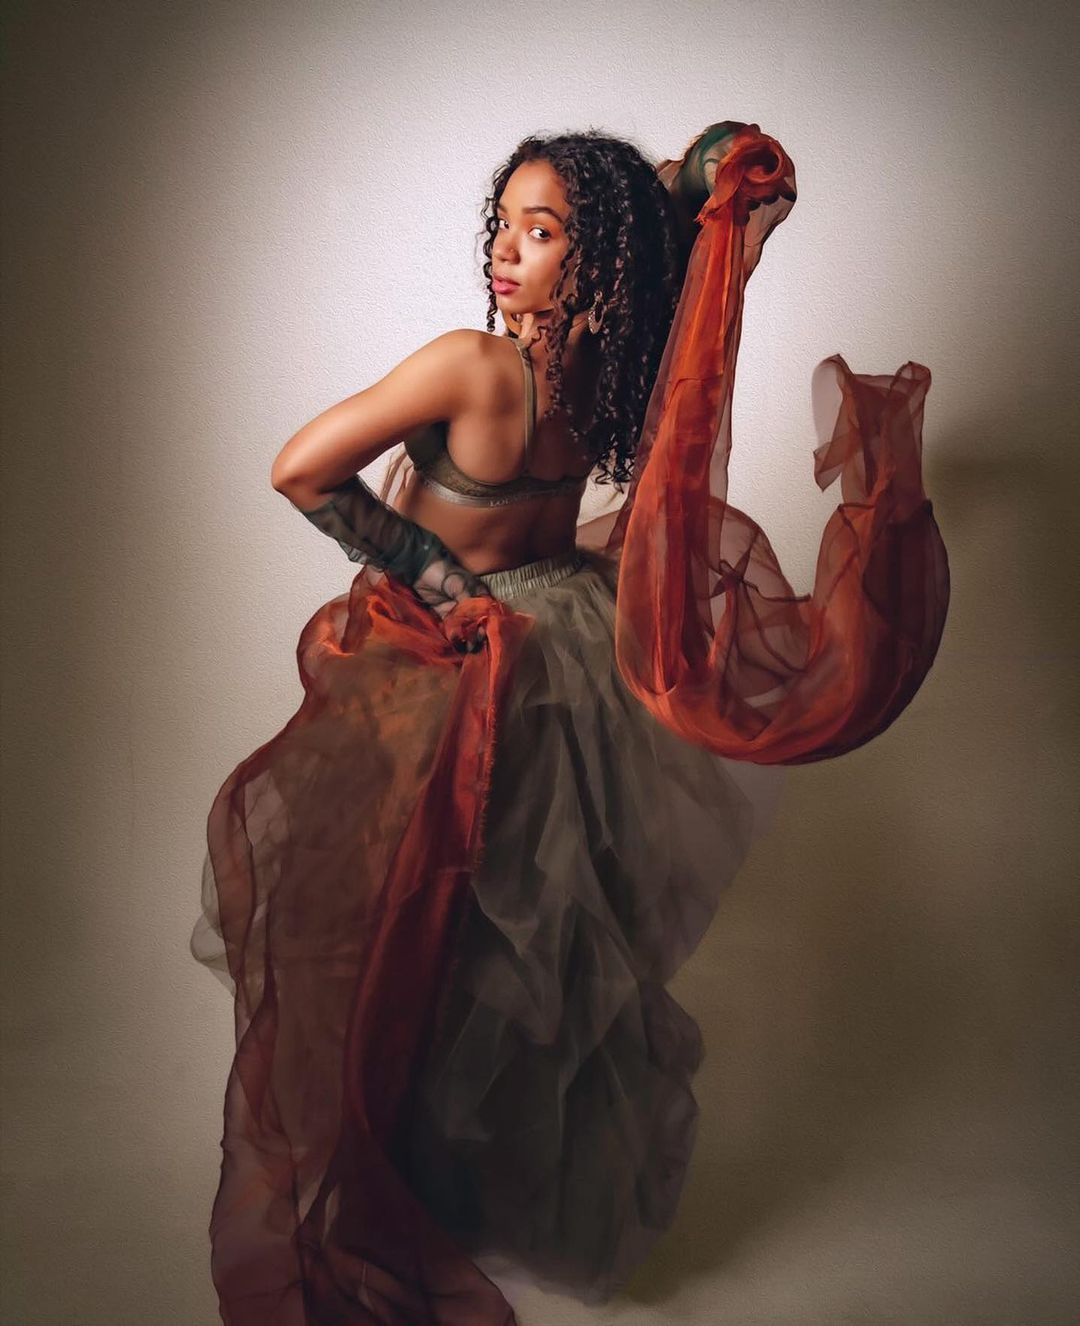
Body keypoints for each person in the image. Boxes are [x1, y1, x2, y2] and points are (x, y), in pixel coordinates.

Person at [190, 123, 949, 1325]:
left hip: (458, 660)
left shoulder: (473, 367)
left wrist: (433, 578)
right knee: (516, 928)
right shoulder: (616, 366)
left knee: (417, 925)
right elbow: (681, 200)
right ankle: (466, 1187)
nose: (504, 250)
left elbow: (301, 468)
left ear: (592, 260)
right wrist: (690, 183)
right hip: (569, 647)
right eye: (502, 225)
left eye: (540, 234)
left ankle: (404, 1184)